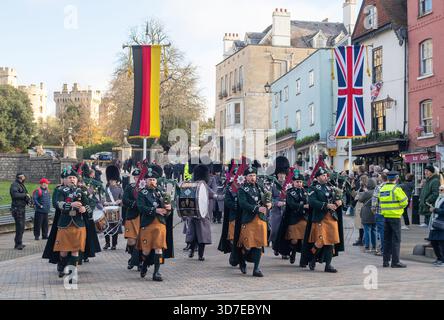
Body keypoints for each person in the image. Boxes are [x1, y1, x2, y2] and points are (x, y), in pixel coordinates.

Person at [301, 167, 345, 273]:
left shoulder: (330, 188)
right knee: (319, 242)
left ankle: (328, 265)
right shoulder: (313, 188)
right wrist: (326, 205)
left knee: (331, 241)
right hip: (320, 218)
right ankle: (312, 257)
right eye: (322, 175)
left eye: (326, 175)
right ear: (317, 177)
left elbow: (337, 199)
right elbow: (312, 202)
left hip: (331, 217)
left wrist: (339, 202)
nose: (325, 177)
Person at [52, 168, 91, 278]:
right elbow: (57, 204)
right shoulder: (60, 191)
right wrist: (71, 205)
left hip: (78, 224)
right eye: (70, 178)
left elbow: (88, 205)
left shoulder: (81, 191)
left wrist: (84, 208)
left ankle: (72, 275)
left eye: (74, 178)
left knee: (75, 250)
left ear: (77, 180)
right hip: (65, 224)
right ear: (65, 180)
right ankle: (62, 265)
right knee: (63, 251)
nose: (72, 179)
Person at [137, 164, 174, 281]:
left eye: (153, 179)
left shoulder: (161, 193)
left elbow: (168, 209)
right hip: (147, 224)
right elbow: (141, 208)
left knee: (159, 248)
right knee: (146, 250)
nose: (152, 181)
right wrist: (155, 210)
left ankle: (156, 272)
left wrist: (168, 208)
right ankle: (144, 265)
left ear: (156, 181)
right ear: (145, 181)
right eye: (149, 179)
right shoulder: (142, 193)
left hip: (160, 224)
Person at [235, 164, 271, 277]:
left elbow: (266, 198)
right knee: (248, 245)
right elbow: (243, 204)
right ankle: (241, 259)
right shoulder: (242, 190)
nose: (252, 177)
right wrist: (256, 208)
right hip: (248, 220)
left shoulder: (260, 187)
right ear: (245, 177)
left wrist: (269, 204)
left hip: (261, 219)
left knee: (259, 244)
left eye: (254, 175)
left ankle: (256, 268)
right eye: (250, 175)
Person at [273, 170, 309, 266]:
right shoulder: (290, 192)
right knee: (294, 240)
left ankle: (303, 260)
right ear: (293, 182)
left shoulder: (306, 192)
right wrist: (303, 206)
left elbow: (308, 202)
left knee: (304, 240)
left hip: (304, 218)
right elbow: (292, 204)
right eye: (297, 182)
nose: (299, 184)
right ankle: (292, 253)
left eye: (300, 182)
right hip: (293, 219)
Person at [377, 171, 408, 268]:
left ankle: (385, 261)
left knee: (386, 240)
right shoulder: (396, 188)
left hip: (385, 217)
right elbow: (404, 202)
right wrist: (399, 208)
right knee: (396, 240)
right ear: (396, 178)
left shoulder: (382, 189)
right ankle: (395, 262)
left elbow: (379, 201)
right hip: (395, 217)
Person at [185, 164, 214, 261]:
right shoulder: (204, 185)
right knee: (203, 236)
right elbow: (213, 195)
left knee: (193, 235)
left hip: (192, 213)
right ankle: (200, 255)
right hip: (203, 214)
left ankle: (191, 251)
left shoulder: (190, 184)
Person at [270, 156, 290, 259]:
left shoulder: (289, 184)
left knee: (285, 231)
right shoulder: (273, 184)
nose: (281, 176)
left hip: (286, 210)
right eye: (280, 174)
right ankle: (274, 245)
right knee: (275, 230)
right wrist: (276, 203)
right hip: (276, 211)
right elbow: (269, 198)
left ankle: (284, 252)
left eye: (283, 174)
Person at [123, 168, 142, 270]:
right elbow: (125, 200)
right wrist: (134, 204)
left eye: (139, 177)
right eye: (136, 177)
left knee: (142, 240)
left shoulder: (145, 187)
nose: (137, 178)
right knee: (131, 241)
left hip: (143, 217)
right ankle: (132, 258)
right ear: (134, 178)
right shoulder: (129, 187)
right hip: (132, 215)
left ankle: (139, 261)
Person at [103, 165, 123, 250]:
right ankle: (107, 243)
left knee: (115, 227)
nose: (112, 182)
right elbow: (102, 198)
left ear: (116, 180)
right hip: (107, 209)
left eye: (114, 180)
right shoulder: (106, 189)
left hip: (116, 210)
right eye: (111, 180)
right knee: (106, 227)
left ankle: (114, 244)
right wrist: (104, 202)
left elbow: (123, 198)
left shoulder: (120, 189)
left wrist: (120, 201)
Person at [10, 173, 32, 250]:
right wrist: (25, 195)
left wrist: (28, 199)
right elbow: (15, 195)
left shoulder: (21, 184)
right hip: (17, 209)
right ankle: (17, 244)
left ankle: (19, 242)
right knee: (19, 226)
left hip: (21, 208)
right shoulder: (14, 185)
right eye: (23, 177)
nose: (24, 178)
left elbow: (26, 194)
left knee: (22, 227)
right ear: (20, 177)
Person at [359, 178, 377, 253]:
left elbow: (360, 199)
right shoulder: (376, 192)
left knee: (367, 230)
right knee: (374, 230)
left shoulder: (366, 193)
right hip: (374, 213)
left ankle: (367, 246)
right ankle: (374, 246)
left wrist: (364, 192)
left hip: (366, 213)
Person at [428, 185, 444, 266]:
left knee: (441, 242)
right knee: (433, 241)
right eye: (439, 190)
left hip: (441, 224)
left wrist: (435, 210)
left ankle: (442, 260)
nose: (440, 191)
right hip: (435, 223)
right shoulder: (439, 199)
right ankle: (439, 258)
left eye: (441, 190)